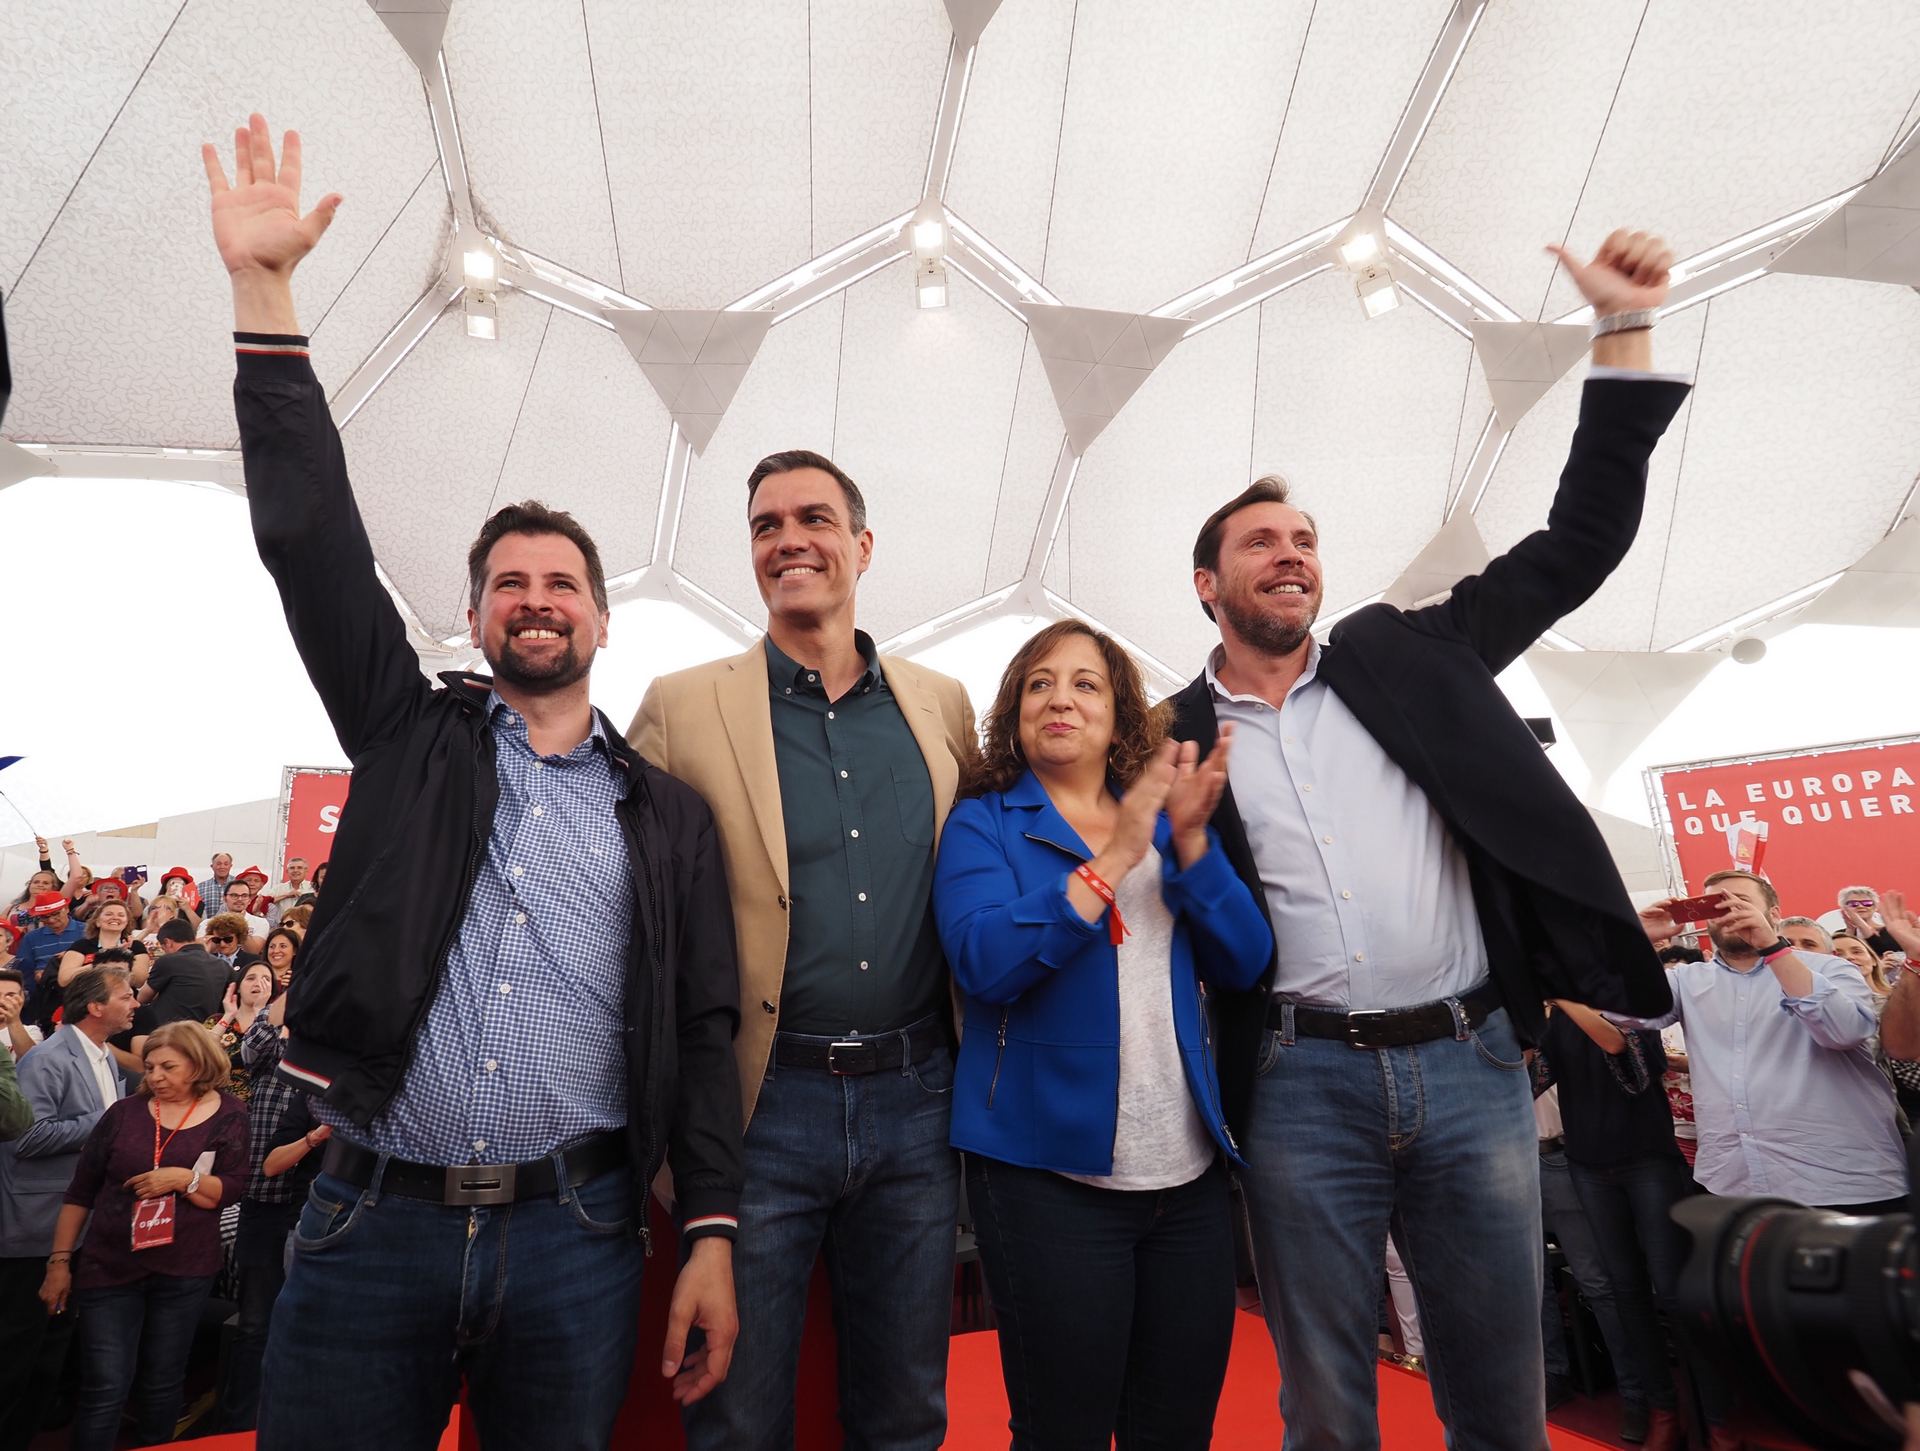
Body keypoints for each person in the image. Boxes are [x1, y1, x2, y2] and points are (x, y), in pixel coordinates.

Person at [207, 113, 743, 1450]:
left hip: (575, 1235)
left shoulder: (661, 814)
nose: (537, 597)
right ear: (477, 616)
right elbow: (309, 537)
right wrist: (264, 294)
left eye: (563, 581)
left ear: (604, 621)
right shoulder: (409, 732)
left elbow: (703, 1024)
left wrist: (714, 1227)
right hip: (370, 1215)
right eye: (510, 581)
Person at [1166, 228, 1689, 1450]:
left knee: (1502, 1391)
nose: (1291, 555)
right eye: (1260, 542)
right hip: (1299, 1083)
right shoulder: (1173, 737)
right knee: (1332, 1400)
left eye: (1302, 540)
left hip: (1471, 1068)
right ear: (1208, 583)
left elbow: (1580, 546)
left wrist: (1621, 333)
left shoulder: (1410, 653)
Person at [631, 446, 976, 1451]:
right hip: (759, 1108)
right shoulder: (682, 705)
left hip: (919, 1103)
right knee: (736, 1412)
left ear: (861, 545)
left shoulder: (941, 702)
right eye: (766, 524)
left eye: (814, 518)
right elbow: (631, 909)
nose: (790, 539)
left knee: (906, 1405)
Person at [932, 620, 1269, 1448]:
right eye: (1040, 682)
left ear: (1120, 718)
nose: (1061, 698)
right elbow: (984, 960)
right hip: (1046, 1181)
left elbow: (1245, 958)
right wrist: (1110, 859)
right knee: (1063, 1430)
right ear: (1015, 713)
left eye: (1087, 684)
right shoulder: (985, 822)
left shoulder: (1162, 823)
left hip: (1186, 1180)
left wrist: (1188, 839)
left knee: (1176, 1426)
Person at [1625, 872, 1906, 1215]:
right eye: (1714, 906)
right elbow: (1619, 1013)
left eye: (1740, 902)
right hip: (1734, 1182)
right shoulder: (1686, 979)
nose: (1728, 913)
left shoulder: (1831, 969)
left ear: (1774, 914)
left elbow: (1843, 1032)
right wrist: (1633, 941)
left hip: (1840, 1183)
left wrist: (1772, 948)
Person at [39, 1020, 249, 1451]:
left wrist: (183, 1179)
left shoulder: (230, 1114)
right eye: (150, 1067)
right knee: (105, 1385)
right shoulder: (123, 1114)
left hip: (184, 1271)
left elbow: (230, 1189)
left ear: (199, 1064)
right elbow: (81, 1191)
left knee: (162, 1381)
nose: (155, 1077)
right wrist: (59, 1262)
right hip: (109, 1266)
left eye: (168, 1067)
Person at [1538, 1001, 1700, 1450]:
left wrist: (1564, 1000)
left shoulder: (1632, 1006)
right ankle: (1661, 1407)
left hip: (1648, 1161)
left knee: (1671, 1290)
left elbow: (1629, 1062)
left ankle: (1711, 1411)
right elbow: (1533, 1080)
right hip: (1587, 1165)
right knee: (1625, 1291)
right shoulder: (1555, 1023)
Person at [0, 968, 138, 1451]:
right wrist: (105, 1122)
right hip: (36, 1230)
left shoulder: (106, 1058)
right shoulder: (48, 1059)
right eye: (126, 995)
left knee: (50, 1350)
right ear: (95, 1007)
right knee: (18, 1352)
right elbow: (26, 1137)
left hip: (80, 1224)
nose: (135, 1002)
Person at [207, 962, 278, 1099]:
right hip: (214, 1099)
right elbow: (200, 1053)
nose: (258, 983)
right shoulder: (218, 1020)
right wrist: (228, 1016)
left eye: (266, 979)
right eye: (251, 978)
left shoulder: (276, 1025)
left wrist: (260, 1012)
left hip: (259, 1102)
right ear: (238, 987)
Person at [13, 892, 84, 1030]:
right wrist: (36, 975)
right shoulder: (31, 938)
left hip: (82, 990)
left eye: (56, 913)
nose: (51, 920)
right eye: (45, 916)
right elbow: (23, 969)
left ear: (67, 909)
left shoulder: (87, 931)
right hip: (46, 995)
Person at [55, 896, 151, 996]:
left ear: (127, 922)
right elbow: (64, 980)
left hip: (123, 1000)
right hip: (86, 998)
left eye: (121, 915)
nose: (115, 917)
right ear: (97, 922)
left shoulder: (135, 946)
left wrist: (117, 958)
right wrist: (99, 963)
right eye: (109, 914)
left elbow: (139, 980)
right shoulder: (82, 945)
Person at [0, 970, 41, 1062]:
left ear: (22, 999)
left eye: (10, 995)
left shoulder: (31, 1032)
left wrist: (13, 1021)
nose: (2, 1001)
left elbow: (33, 1063)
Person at [265, 857, 309, 927]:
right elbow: (264, 902)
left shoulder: (313, 887)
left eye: (299, 868)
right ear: (287, 871)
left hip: (305, 928)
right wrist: (286, 895)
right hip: (282, 928)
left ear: (306, 870)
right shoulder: (278, 888)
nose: (295, 870)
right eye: (292, 868)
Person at [261, 924, 299, 991]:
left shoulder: (301, 981)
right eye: (272, 947)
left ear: (295, 951)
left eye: (283, 946)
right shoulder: (256, 978)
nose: (276, 951)